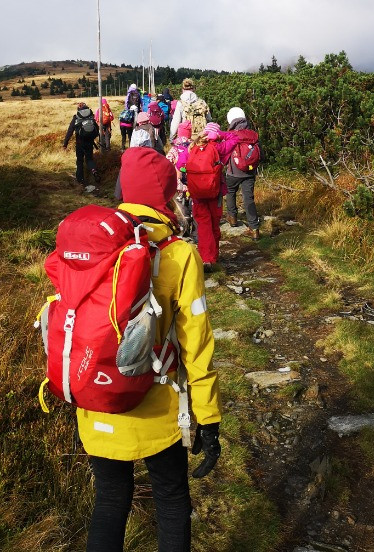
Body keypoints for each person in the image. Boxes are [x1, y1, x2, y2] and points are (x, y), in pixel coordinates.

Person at [78, 147, 222, 552]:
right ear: (167, 196)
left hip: (97, 401)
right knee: (172, 501)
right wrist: (208, 418)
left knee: (109, 501)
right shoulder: (178, 254)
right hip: (157, 409)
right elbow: (197, 344)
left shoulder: (95, 247)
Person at [184, 123, 223, 270]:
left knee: (203, 225)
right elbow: (234, 140)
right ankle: (214, 257)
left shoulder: (191, 148)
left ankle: (206, 258)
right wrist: (222, 136)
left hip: (197, 194)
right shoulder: (218, 148)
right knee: (214, 224)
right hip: (215, 192)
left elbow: (181, 163)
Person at [219, 107, 261, 240]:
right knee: (249, 198)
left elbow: (224, 152)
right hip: (249, 171)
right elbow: (261, 153)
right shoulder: (253, 134)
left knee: (231, 191)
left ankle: (232, 218)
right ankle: (254, 229)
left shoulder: (230, 135)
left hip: (234, 171)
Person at [165, 119, 194, 239]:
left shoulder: (175, 148)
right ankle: (194, 230)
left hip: (178, 183)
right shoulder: (193, 147)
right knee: (191, 206)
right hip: (191, 183)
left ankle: (183, 230)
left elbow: (167, 163)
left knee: (181, 208)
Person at [63, 102, 99, 187]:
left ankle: (80, 180)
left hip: (79, 143)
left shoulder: (76, 117)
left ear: (78, 110)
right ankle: (94, 171)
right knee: (89, 159)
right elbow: (96, 129)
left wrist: (65, 143)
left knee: (79, 161)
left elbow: (70, 131)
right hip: (89, 142)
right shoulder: (90, 117)